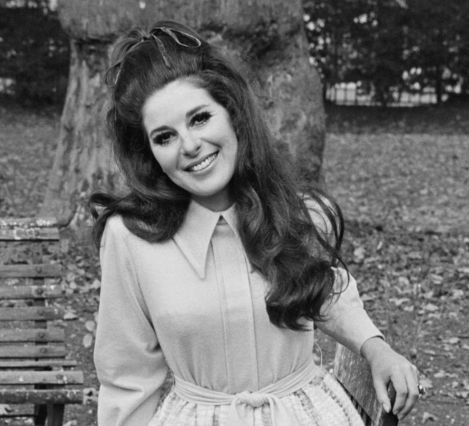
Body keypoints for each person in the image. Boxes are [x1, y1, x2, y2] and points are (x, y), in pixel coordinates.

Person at [90, 20, 421, 426]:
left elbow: (328, 293)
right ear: (149, 154)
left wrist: (376, 348)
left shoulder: (297, 211)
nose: (189, 146)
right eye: (164, 137)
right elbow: (127, 379)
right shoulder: (130, 238)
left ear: (232, 113)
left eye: (199, 118)